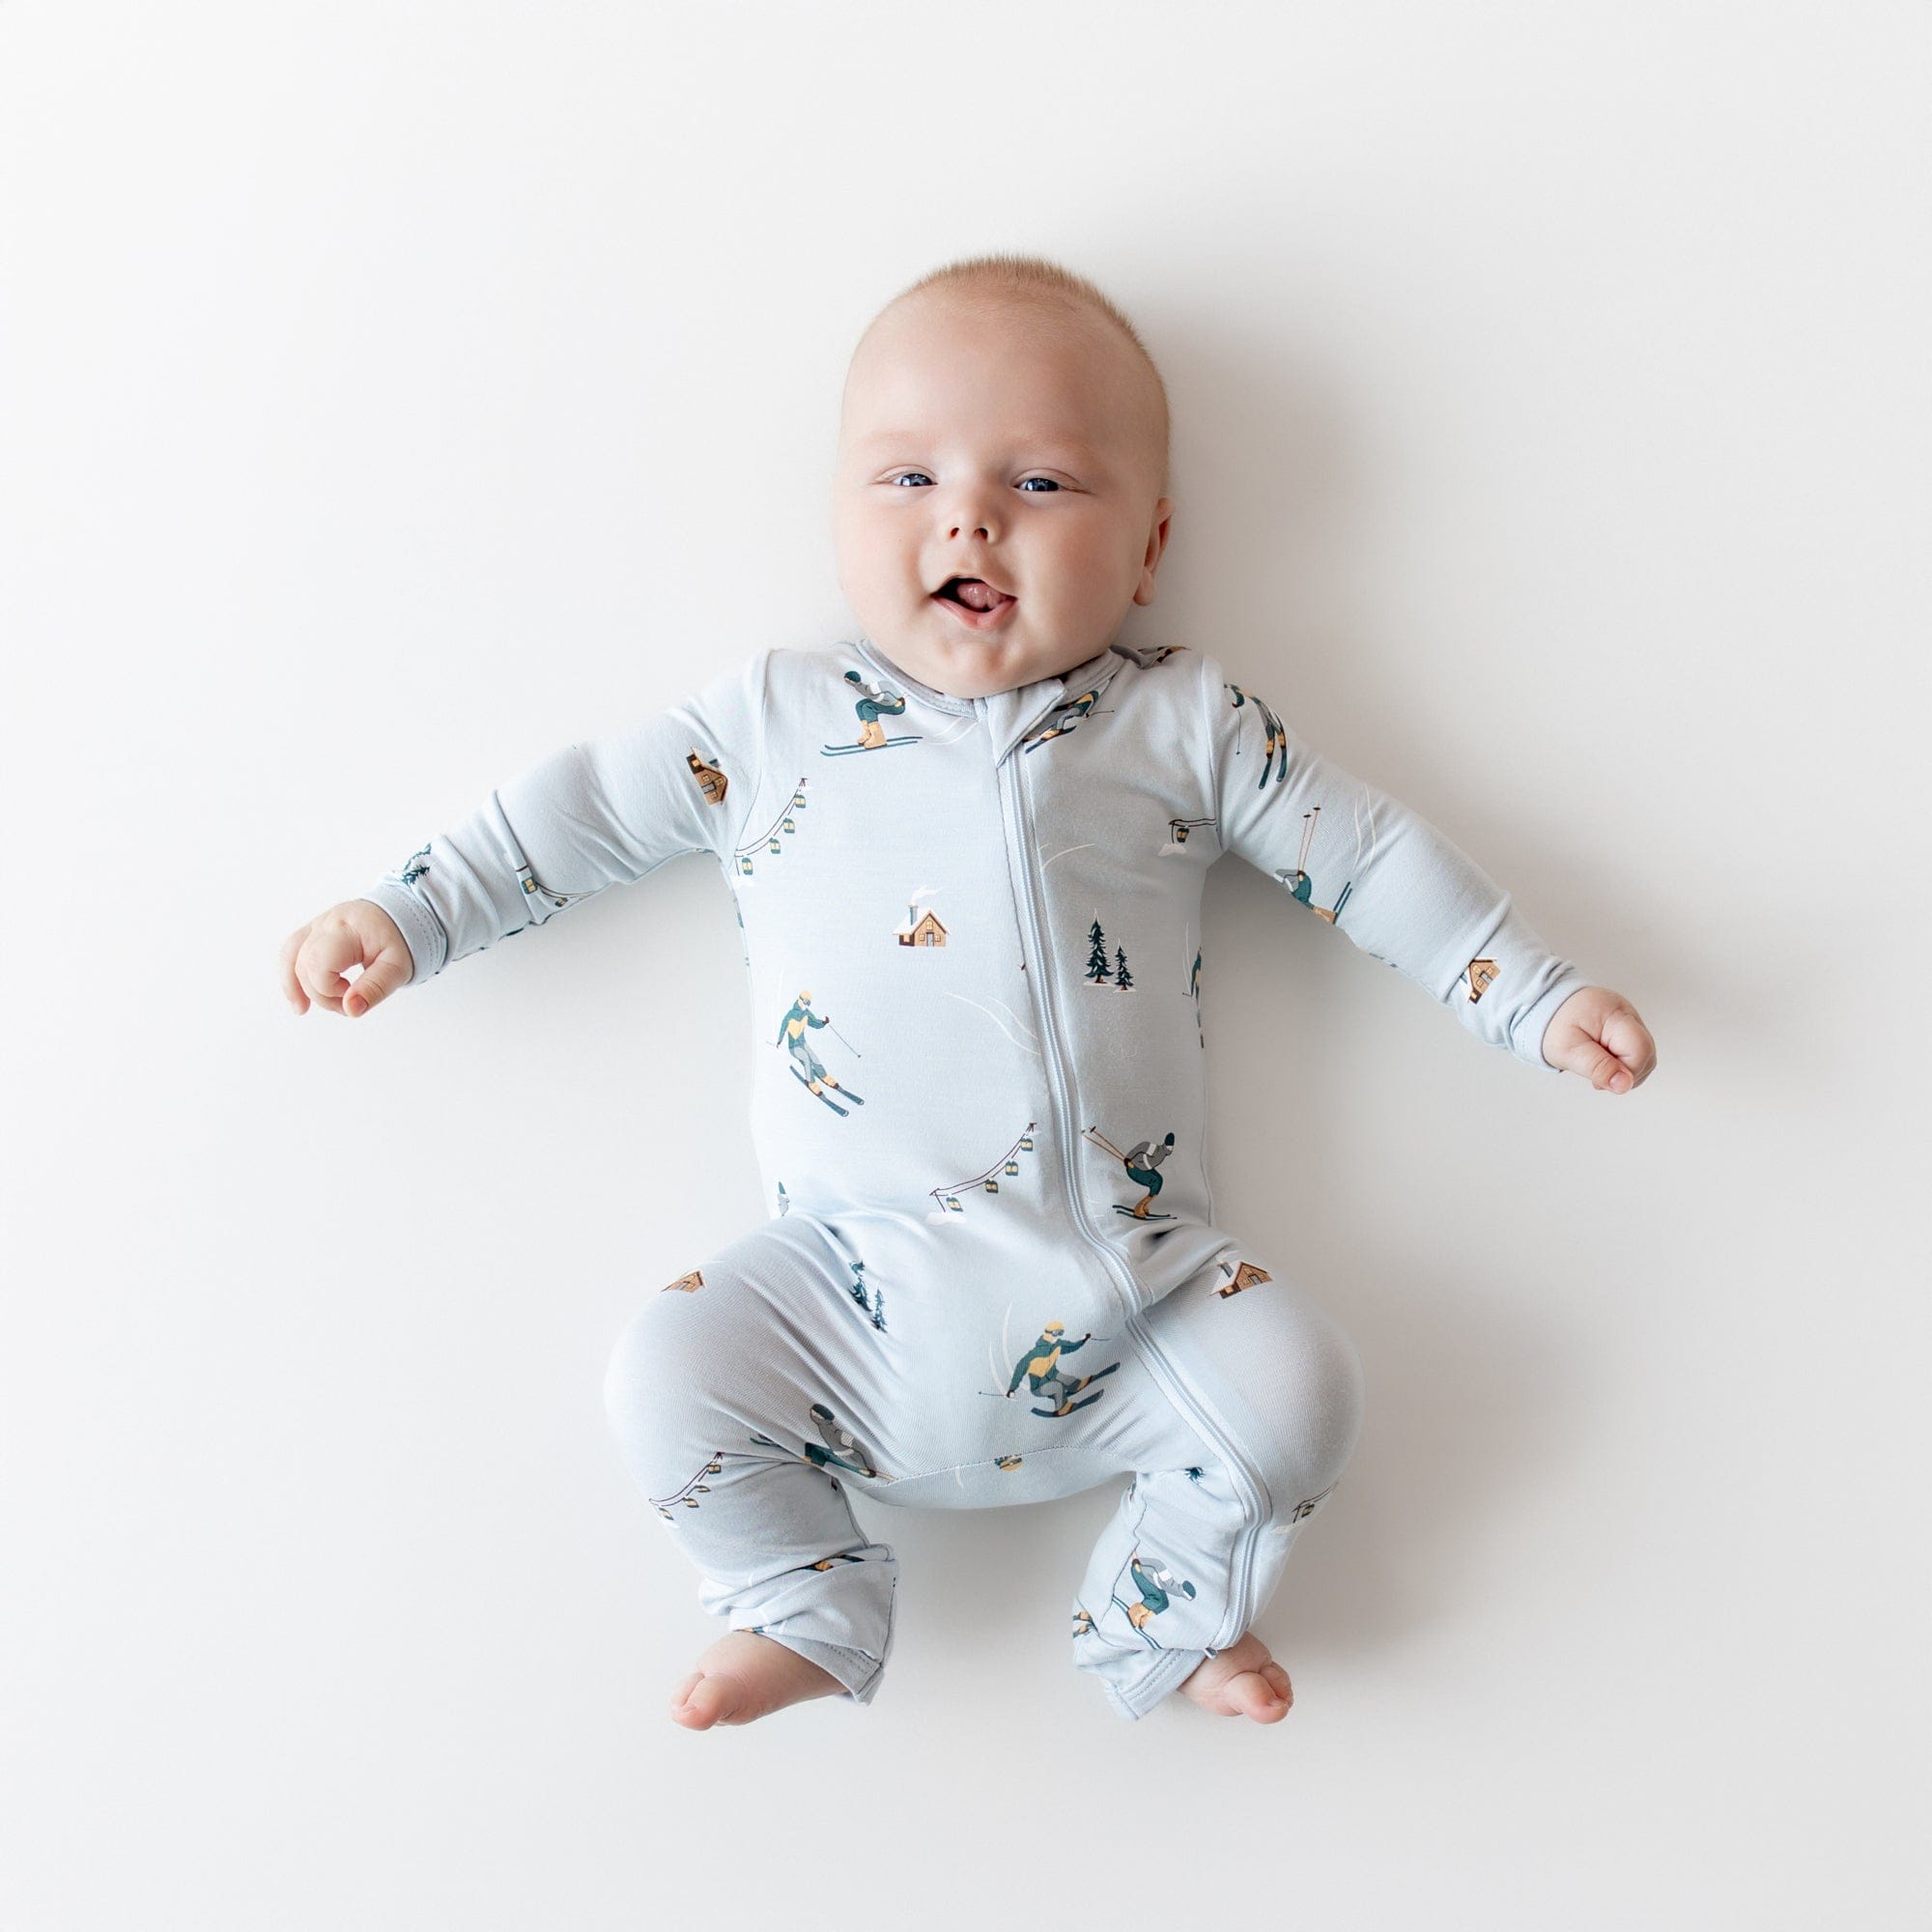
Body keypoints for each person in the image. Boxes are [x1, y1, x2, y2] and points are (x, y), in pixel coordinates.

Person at [277, 252, 1657, 1730]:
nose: (968, 516)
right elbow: (577, 821)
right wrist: (413, 911)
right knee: (667, 1372)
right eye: (907, 478)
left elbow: (1369, 857)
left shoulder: (1179, 722)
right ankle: (804, 1595)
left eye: (1044, 483)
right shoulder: (770, 725)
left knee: (1300, 1387)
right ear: (837, 515)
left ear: (1150, 544)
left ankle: (1161, 1621)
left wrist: (1527, 991)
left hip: (1143, 1296)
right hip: (841, 1303)